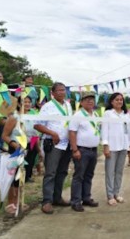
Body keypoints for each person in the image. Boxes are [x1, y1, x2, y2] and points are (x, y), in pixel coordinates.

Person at [34, 82, 73, 214]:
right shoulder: (47, 107)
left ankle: (57, 197)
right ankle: (47, 201)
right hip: (54, 143)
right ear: (53, 93)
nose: (62, 92)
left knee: (62, 172)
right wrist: (52, 133)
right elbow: (38, 125)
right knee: (50, 172)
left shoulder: (68, 105)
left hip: (67, 144)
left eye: (64, 90)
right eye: (59, 90)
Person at [69, 91, 100, 212]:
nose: (90, 101)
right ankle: (76, 201)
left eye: (92, 99)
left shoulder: (95, 114)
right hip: (82, 150)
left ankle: (86, 197)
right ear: (81, 102)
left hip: (93, 150)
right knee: (79, 176)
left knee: (89, 175)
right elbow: (72, 132)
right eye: (87, 99)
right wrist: (75, 149)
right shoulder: (77, 115)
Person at [101, 92, 130, 206]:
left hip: (123, 146)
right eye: (117, 99)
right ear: (111, 102)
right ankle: (110, 195)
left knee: (119, 172)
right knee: (110, 172)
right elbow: (104, 130)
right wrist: (105, 145)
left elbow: (128, 131)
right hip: (112, 147)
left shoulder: (126, 115)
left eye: (121, 99)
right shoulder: (108, 114)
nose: (119, 101)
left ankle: (116, 193)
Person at [1, 96, 31, 215]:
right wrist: (14, 144)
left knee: (21, 177)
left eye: (29, 102)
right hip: (15, 150)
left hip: (26, 149)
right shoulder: (14, 118)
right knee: (12, 176)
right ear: (19, 104)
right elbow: (5, 135)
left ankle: (19, 200)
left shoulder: (30, 117)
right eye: (25, 102)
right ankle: (11, 202)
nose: (27, 104)